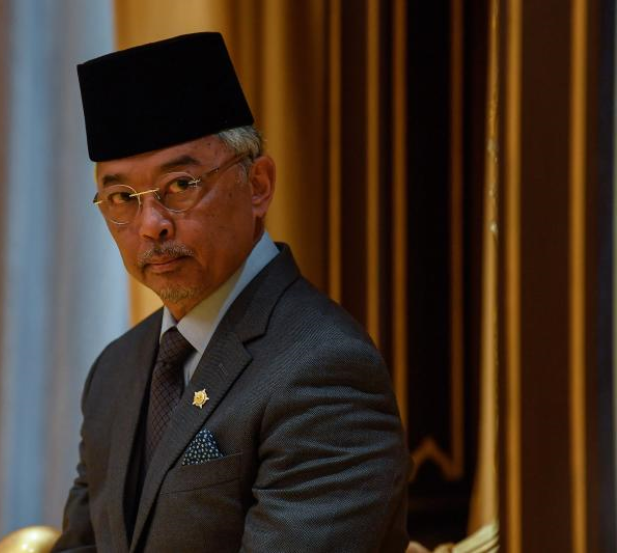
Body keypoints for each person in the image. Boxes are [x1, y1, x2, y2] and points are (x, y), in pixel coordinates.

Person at [52, 32, 410, 553]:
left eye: (181, 185)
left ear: (258, 184)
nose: (151, 225)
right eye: (123, 197)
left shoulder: (323, 368)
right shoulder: (116, 368)